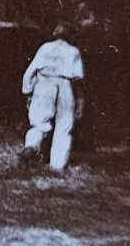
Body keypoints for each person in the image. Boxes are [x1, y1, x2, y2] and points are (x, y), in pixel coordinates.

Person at [20, 25, 84, 171]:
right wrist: (80, 100)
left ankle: (31, 145)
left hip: (44, 85)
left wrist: (29, 93)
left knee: (38, 122)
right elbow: (78, 79)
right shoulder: (73, 51)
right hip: (64, 85)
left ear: (54, 34)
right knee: (63, 126)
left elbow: (29, 73)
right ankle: (57, 165)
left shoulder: (44, 48)